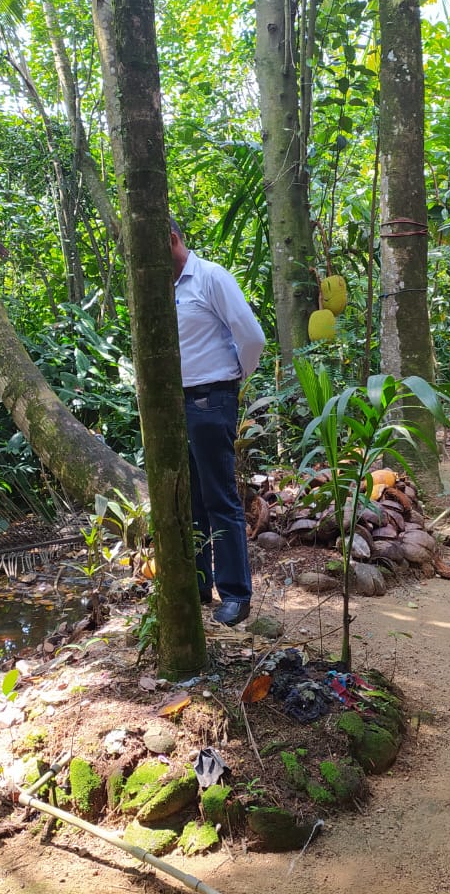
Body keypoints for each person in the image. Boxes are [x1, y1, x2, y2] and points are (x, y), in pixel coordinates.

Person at [170, 218, 267, 627]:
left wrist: (233, 378)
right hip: (174, 406)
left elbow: (252, 336)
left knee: (219, 499)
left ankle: (235, 595)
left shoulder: (209, 277)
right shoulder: (161, 288)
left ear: (172, 239)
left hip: (211, 399)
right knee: (188, 502)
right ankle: (196, 584)